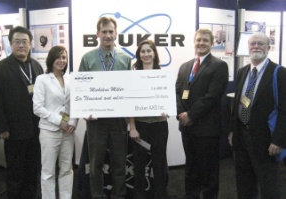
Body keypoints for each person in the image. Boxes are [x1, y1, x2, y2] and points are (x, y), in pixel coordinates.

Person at [78, 17, 131, 199]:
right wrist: (85, 113)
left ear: (116, 34)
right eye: (104, 32)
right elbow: (81, 90)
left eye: (111, 32)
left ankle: (119, 195)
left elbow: (129, 90)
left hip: (118, 122)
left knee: (119, 163)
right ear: (97, 34)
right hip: (96, 122)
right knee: (95, 165)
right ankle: (98, 196)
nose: (108, 35)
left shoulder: (125, 59)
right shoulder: (88, 58)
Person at [229, 32, 286, 199]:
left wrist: (278, 140)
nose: (256, 46)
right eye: (252, 43)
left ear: (268, 48)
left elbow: (284, 110)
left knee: (269, 185)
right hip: (242, 136)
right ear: (248, 47)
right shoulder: (242, 72)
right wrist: (233, 131)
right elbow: (238, 105)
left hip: (266, 140)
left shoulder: (279, 73)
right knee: (244, 184)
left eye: (260, 43)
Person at [0, 26, 43, 199]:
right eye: (17, 42)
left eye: (25, 42)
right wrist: (1, 128)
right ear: (10, 44)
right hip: (13, 131)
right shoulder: (1, 68)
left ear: (30, 44)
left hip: (35, 129)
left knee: (32, 169)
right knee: (15, 170)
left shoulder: (36, 66)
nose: (21, 45)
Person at [176, 28, 229, 199]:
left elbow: (212, 96)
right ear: (194, 42)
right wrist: (181, 114)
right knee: (190, 167)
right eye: (198, 40)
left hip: (207, 129)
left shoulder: (219, 66)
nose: (201, 43)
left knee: (208, 170)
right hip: (187, 128)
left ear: (212, 43)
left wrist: (190, 115)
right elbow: (177, 93)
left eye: (205, 40)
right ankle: (190, 195)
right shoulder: (185, 67)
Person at [33, 45, 77, 199]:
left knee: (67, 169)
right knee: (48, 172)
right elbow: (37, 108)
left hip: (68, 131)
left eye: (64, 57)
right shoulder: (42, 79)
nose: (61, 60)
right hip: (49, 131)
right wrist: (60, 121)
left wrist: (72, 122)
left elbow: (75, 104)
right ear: (51, 59)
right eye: (58, 57)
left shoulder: (70, 79)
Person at [129, 40, 169, 199]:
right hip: (140, 125)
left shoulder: (163, 74)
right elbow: (129, 103)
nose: (146, 54)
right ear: (139, 55)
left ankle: (159, 195)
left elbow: (169, 100)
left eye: (149, 51)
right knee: (138, 165)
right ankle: (139, 196)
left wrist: (167, 108)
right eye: (142, 51)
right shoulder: (133, 75)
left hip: (159, 125)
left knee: (159, 164)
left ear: (154, 53)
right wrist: (132, 127)